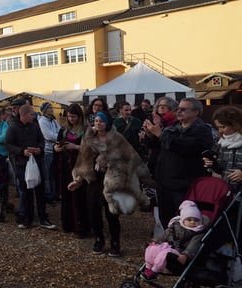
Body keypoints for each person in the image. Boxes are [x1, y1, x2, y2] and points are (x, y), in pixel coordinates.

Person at [69, 111, 151, 257]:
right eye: (96, 121)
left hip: (112, 179)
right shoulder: (89, 138)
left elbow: (129, 158)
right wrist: (78, 179)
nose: (98, 123)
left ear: (107, 123)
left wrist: (111, 163)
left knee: (112, 213)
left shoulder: (117, 138)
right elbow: (83, 160)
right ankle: (99, 239)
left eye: (101, 121)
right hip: (94, 180)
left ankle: (115, 242)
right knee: (94, 212)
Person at [145, 98, 214, 228]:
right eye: (178, 109)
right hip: (164, 182)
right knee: (166, 219)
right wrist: (150, 134)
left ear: (196, 112)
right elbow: (157, 145)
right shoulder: (173, 127)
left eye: (183, 109)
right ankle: (170, 240)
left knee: (186, 220)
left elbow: (184, 147)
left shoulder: (202, 130)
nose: (179, 111)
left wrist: (159, 134)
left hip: (184, 184)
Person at [5, 104, 57, 230]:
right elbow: (8, 145)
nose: (33, 116)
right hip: (22, 164)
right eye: (31, 114)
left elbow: (41, 140)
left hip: (37, 161)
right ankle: (27, 218)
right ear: (23, 114)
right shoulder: (13, 127)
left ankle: (43, 217)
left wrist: (40, 149)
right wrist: (22, 151)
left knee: (40, 190)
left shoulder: (35, 125)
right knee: (26, 192)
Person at [142, 200, 207, 281]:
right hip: (169, 246)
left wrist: (186, 254)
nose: (193, 222)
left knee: (164, 253)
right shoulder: (176, 226)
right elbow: (165, 234)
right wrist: (156, 241)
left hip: (180, 252)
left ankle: (154, 271)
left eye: (196, 220)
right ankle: (148, 268)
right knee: (151, 248)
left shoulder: (198, 232)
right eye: (189, 219)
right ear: (183, 220)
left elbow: (193, 245)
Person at [53, 103, 90, 237]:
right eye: (69, 116)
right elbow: (57, 144)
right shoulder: (64, 130)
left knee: (80, 197)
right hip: (65, 167)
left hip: (80, 167)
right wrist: (56, 148)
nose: (71, 119)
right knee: (67, 195)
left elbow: (91, 149)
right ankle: (68, 224)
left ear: (79, 116)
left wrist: (75, 147)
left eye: (73, 116)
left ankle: (82, 227)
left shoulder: (86, 131)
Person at [204, 106, 242, 192]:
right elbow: (218, 169)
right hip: (224, 192)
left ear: (235, 125)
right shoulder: (219, 143)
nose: (220, 130)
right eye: (218, 127)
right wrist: (211, 164)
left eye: (223, 127)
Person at [38, 102, 61, 204]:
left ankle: (54, 193)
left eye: (51, 107)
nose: (51, 109)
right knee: (47, 174)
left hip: (55, 149)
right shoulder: (42, 121)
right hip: (47, 151)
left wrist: (58, 136)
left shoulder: (53, 120)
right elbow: (48, 136)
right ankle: (48, 195)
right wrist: (59, 137)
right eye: (49, 108)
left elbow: (60, 131)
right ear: (44, 110)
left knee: (54, 174)